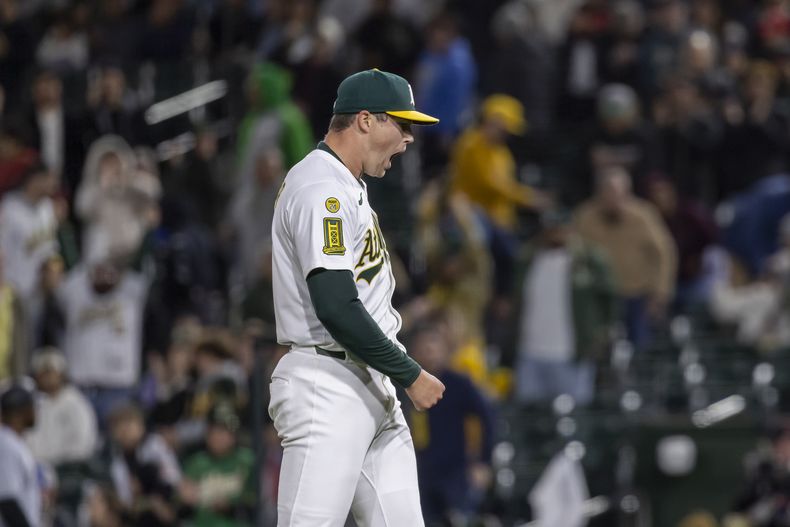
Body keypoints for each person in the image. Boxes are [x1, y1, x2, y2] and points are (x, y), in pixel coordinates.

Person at [269, 68, 445, 526]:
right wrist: (410, 374)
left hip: (370, 382)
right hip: (327, 383)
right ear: (366, 120)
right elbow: (336, 306)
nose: (408, 139)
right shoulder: (321, 187)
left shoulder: (347, 185)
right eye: (401, 124)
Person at [406, 321, 495, 526]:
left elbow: (488, 417)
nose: (429, 350)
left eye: (434, 344)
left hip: (454, 474)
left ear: (445, 348)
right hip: (418, 472)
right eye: (423, 345)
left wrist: (484, 461)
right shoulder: (403, 386)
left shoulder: (458, 383)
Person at [26, 348, 98, 466]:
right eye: (43, 373)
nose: (48, 378)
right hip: (35, 465)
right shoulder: (30, 402)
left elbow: (83, 444)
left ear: (62, 375)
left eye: (52, 373)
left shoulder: (76, 403)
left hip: (68, 468)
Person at [0, 385, 40, 527]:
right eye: (33, 407)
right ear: (23, 411)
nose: (36, 412)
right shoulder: (6, 446)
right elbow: (7, 501)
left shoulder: (13, 442)